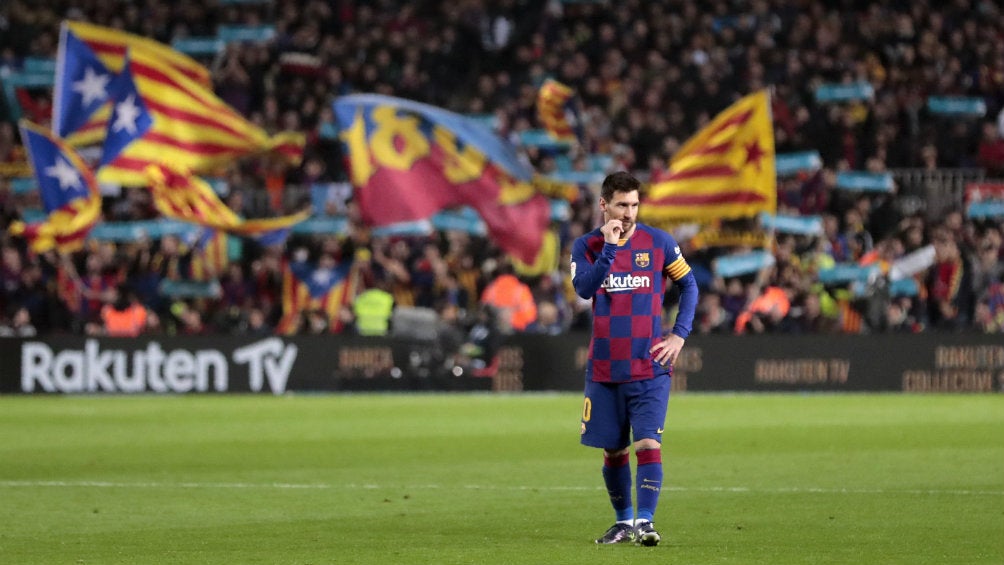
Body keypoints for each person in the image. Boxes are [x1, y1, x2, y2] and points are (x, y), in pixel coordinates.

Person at [570, 171, 698, 546]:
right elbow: (584, 289)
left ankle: (645, 522)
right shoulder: (587, 246)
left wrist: (679, 334)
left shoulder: (658, 242)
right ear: (604, 205)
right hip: (605, 368)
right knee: (613, 450)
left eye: (634, 205)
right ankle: (623, 522)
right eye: (622, 205)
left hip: (649, 366)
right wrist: (609, 248)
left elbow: (689, 284)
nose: (628, 213)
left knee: (647, 444)